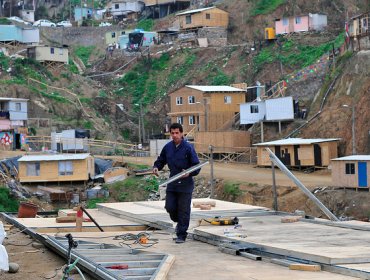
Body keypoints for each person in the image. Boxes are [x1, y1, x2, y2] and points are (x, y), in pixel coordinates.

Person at [153, 123, 200, 244]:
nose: (174, 135)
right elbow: (161, 160)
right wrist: (156, 167)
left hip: (185, 184)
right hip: (172, 182)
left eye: (177, 133)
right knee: (170, 207)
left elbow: (196, 166)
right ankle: (179, 222)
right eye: (172, 133)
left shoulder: (188, 148)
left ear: (182, 133)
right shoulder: (168, 147)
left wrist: (189, 173)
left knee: (184, 210)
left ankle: (181, 234)